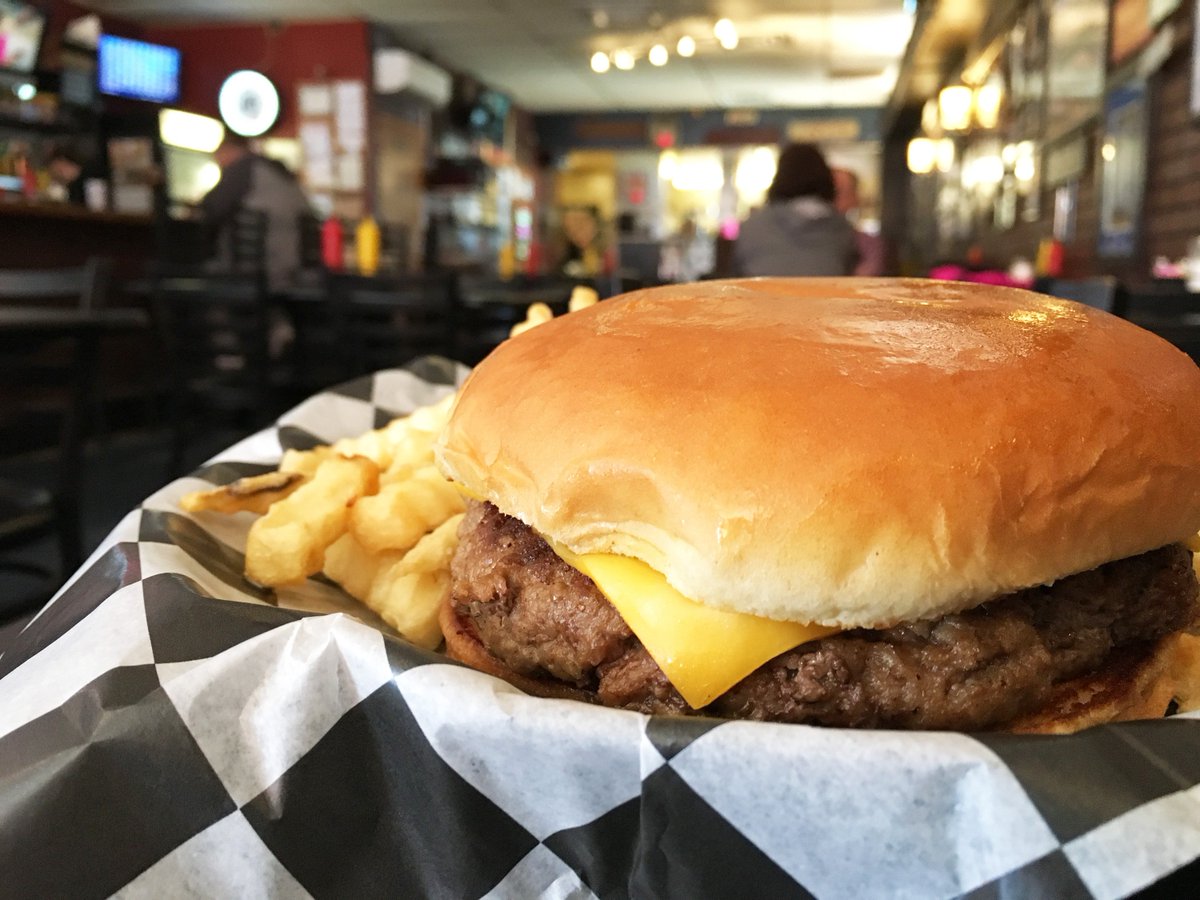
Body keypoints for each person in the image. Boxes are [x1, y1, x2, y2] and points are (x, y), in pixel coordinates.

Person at [200, 135, 312, 293]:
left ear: (228, 151)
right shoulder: (277, 170)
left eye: (218, 156)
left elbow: (212, 207)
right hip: (297, 267)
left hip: (262, 269)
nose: (218, 162)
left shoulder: (243, 168)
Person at [733, 143, 858, 278]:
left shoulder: (752, 226)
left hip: (760, 298)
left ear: (779, 178)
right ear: (827, 180)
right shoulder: (842, 230)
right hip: (823, 298)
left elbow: (736, 276)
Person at [832, 167, 887, 277]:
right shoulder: (796, 240)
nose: (833, 199)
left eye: (840, 192)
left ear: (854, 198)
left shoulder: (868, 246)